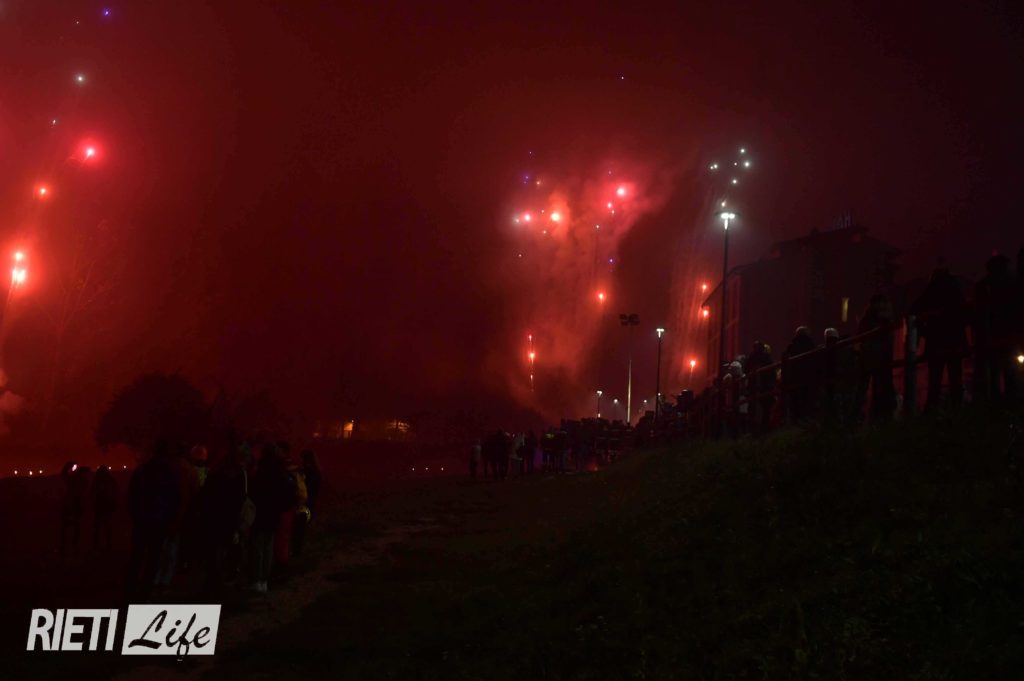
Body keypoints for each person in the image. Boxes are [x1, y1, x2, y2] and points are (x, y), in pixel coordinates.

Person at [126, 440, 182, 599]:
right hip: (159, 522)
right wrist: (171, 519)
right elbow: (175, 499)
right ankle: (145, 590)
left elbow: (132, 496)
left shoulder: (142, 471)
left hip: (143, 520)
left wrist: (136, 515)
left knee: (137, 557)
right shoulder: (169, 473)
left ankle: (130, 589)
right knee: (153, 559)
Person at [911, 267, 969, 409]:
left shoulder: (931, 291)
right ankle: (957, 410)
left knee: (934, 380)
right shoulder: (956, 291)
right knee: (955, 378)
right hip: (955, 342)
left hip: (936, 343)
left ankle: (932, 411)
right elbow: (966, 314)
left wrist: (925, 331)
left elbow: (914, 311)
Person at [973, 254, 1018, 406]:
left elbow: (978, 314)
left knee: (994, 372)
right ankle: (1011, 401)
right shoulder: (1013, 284)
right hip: (1008, 336)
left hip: (991, 336)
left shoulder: (984, 286)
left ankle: (995, 402)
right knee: (1010, 370)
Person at [250, 443, 295, 593]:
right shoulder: (281, 471)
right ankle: (264, 580)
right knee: (268, 547)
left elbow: (254, 491)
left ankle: (256, 579)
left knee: (258, 547)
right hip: (274, 513)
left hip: (260, 513)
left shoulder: (261, 471)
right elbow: (286, 493)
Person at [855, 294, 897, 423]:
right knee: (880, 385)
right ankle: (879, 415)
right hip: (881, 357)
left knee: (868, 387)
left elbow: (860, 335)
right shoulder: (884, 319)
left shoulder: (868, 319)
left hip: (873, 357)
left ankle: (864, 415)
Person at [783, 326, 817, 423]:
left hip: (794, 377)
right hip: (808, 376)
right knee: (807, 398)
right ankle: (806, 418)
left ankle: (796, 420)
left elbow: (786, 362)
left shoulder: (791, 346)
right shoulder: (811, 345)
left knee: (795, 399)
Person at [59, 462, 91, 555]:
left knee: (68, 526)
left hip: (71, 504)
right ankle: (72, 545)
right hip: (74, 504)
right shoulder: (82, 481)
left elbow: (64, 474)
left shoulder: (74, 480)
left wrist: (69, 465)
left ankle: (65, 545)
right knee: (74, 525)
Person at [745, 341, 775, 434]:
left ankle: (754, 428)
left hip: (756, 386)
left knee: (754, 407)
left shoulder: (751, 357)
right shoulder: (766, 357)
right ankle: (763, 427)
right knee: (764, 407)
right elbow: (772, 371)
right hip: (764, 386)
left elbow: (746, 370)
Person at [92, 465, 119, 551]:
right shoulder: (109, 479)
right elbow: (115, 489)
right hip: (105, 503)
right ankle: (106, 544)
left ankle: (98, 544)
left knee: (99, 525)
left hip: (101, 504)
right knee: (105, 525)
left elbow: (92, 491)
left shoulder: (98, 480)